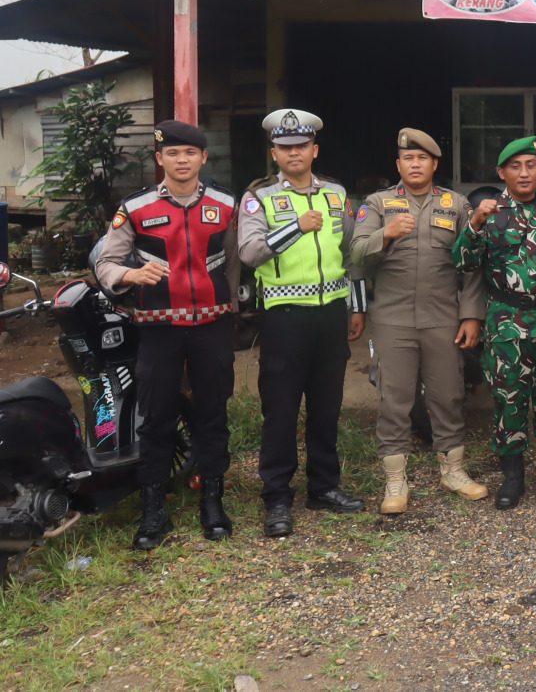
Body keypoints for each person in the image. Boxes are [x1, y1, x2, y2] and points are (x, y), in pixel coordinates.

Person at [95, 120, 240, 550]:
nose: (182, 160)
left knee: (213, 412)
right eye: (173, 154)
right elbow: (105, 264)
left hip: (211, 325)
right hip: (158, 328)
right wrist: (132, 274)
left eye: (190, 153)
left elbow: (233, 261)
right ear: (160, 159)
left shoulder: (224, 204)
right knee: (156, 417)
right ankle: (154, 510)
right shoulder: (135, 208)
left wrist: (229, 308)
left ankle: (212, 502)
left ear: (203, 158)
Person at [238, 109, 369, 538]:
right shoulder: (257, 198)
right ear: (274, 152)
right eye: (285, 147)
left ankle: (324, 487)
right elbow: (250, 253)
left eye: (301, 146)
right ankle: (276, 497)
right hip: (284, 318)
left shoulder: (335, 194)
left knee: (327, 405)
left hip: (331, 314)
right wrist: (295, 227)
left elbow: (352, 253)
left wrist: (358, 306)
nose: (294, 153)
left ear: (314, 149)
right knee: (280, 409)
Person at [351, 129, 489, 515]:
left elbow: (473, 263)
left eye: (422, 159)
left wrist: (472, 314)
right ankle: (396, 479)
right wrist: (386, 234)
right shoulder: (378, 203)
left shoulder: (456, 204)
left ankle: (453, 471)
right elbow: (357, 253)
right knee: (395, 399)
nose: (415, 164)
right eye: (408, 159)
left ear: (434, 164)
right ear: (398, 165)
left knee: (448, 395)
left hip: (443, 317)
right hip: (393, 319)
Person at [453, 135, 536, 509]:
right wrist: (475, 225)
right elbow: (462, 263)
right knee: (508, 398)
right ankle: (513, 475)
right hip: (507, 320)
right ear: (502, 172)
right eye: (515, 166)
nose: (523, 173)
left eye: (530, 166)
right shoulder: (489, 213)